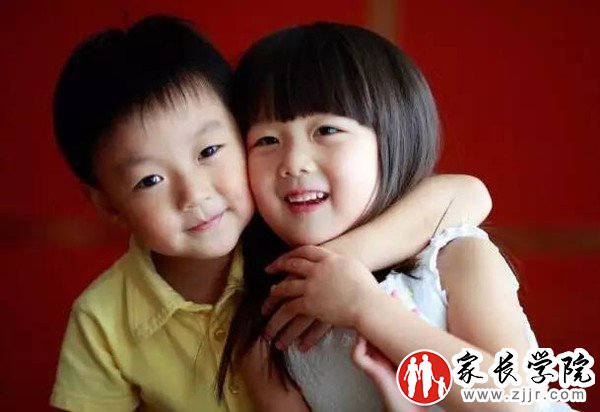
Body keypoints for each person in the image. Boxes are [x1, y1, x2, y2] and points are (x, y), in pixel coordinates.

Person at [50, 16, 492, 412]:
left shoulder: (291, 229)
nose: (195, 194)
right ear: (107, 204)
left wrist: (339, 262)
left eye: (209, 151)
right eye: (150, 180)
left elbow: (467, 195)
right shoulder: (102, 320)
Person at [218, 22, 571, 412]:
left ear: (392, 138)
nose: (294, 162)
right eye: (267, 140)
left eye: (327, 130)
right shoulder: (268, 327)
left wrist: (367, 308)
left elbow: (517, 401)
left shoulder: (454, 259)